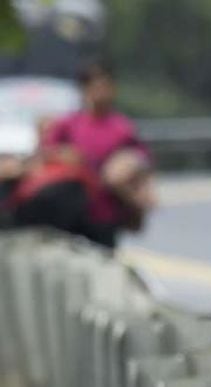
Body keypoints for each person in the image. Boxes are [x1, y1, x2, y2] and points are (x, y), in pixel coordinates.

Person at [41, 58, 154, 248]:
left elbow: (142, 158)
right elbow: (45, 153)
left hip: (106, 213)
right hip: (72, 212)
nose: (101, 92)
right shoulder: (68, 124)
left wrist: (128, 170)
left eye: (105, 86)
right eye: (96, 87)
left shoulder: (121, 127)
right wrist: (64, 156)